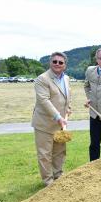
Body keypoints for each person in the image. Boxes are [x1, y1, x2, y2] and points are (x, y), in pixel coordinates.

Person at [31, 52, 71, 186]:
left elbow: (65, 97)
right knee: (45, 154)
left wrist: (67, 108)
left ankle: (58, 176)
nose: (57, 64)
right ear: (50, 63)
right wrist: (58, 117)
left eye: (60, 62)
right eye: (54, 61)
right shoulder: (42, 79)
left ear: (65, 65)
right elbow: (44, 100)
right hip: (45, 123)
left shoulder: (66, 78)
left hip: (60, 124)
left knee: (60, 152)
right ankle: (48, 182)